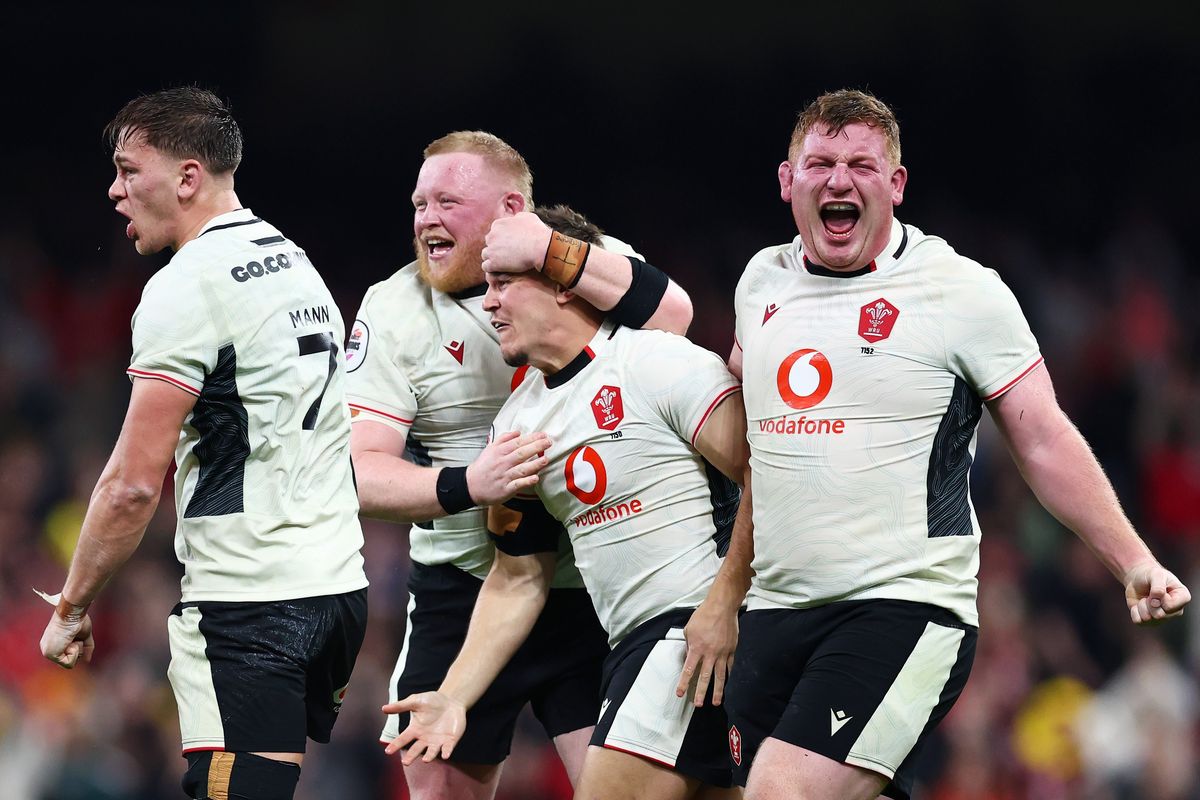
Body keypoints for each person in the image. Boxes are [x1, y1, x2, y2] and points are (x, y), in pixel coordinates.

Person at [723, 88, 1192, 800]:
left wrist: (1132, 559)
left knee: (780, 793)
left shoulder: (961, 292)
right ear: (788, 182)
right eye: (819, 163)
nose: (838, 180)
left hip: (903, 608)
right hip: (776, 613)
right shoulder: (761, 281)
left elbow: (1042, 440)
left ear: (897, 186)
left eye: (861, 164)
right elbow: (752, 424)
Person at [37, 87, 369, 800]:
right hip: (336, 589)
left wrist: (71, 607)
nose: (114, 190)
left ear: (188, 178)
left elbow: (130, 485)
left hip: (250, 602)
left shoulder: (186, 286)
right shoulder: (292, 257)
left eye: (130, 171)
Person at [346, 131, 694, 800]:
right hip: (465, 587)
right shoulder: (393, 309)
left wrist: (547, 252)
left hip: (592, 585)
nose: (425, 219)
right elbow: (362, 474)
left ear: (512, 210)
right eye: (419, 203)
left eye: (448, 200)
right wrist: (468, 484)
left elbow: (673, 316)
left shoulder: (579, 263)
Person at [386, 205, 752, 800]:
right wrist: (453, 695)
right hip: (637, 643)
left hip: (691, 630)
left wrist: (725, 605)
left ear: (561, 285)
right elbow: (517, 577)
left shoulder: (657, 361)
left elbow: (765, 473)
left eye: (504, 284)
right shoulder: (519, 423)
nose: (489, 304)